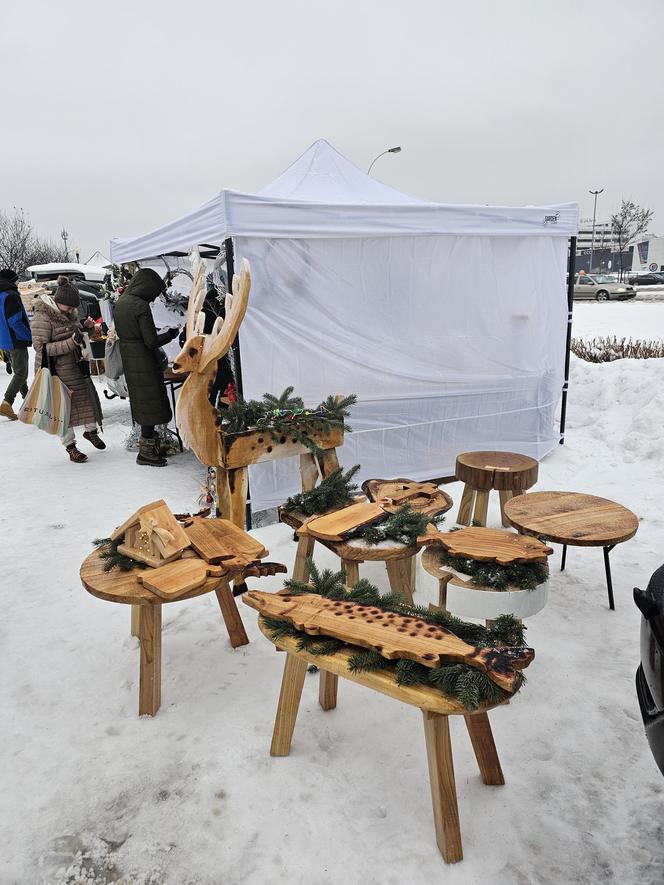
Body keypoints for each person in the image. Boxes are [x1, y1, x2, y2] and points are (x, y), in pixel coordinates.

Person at [31, 276, 105, 463]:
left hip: (74, 366)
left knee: (86, 400)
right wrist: (71, 343)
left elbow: (72, 332)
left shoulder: (67, 313)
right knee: (63, 410)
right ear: (58, 302)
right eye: (69, 307)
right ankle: (71, 447)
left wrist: (84, 328)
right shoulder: (42, 317)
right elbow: (41, 347)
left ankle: (91, 432)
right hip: (54, 371)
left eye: (74, 308)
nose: (72, 310)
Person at [112, 268, 179, 466]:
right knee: (151, 403)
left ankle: (148, 448)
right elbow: (150, 341)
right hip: (144, 360)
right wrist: (170, 334)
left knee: (143, 403)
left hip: (130, 359)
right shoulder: (140, 305)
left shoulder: (121, 302)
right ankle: (147, 453)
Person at [0, 268, 32, 420]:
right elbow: (15, 321)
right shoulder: (11, 296)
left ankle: (29, 403)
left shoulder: (1, 294)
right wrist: (29, 336)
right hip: (15, 340)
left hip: (3, 340)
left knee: (20, 373)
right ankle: (7, 402)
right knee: (21, 373)